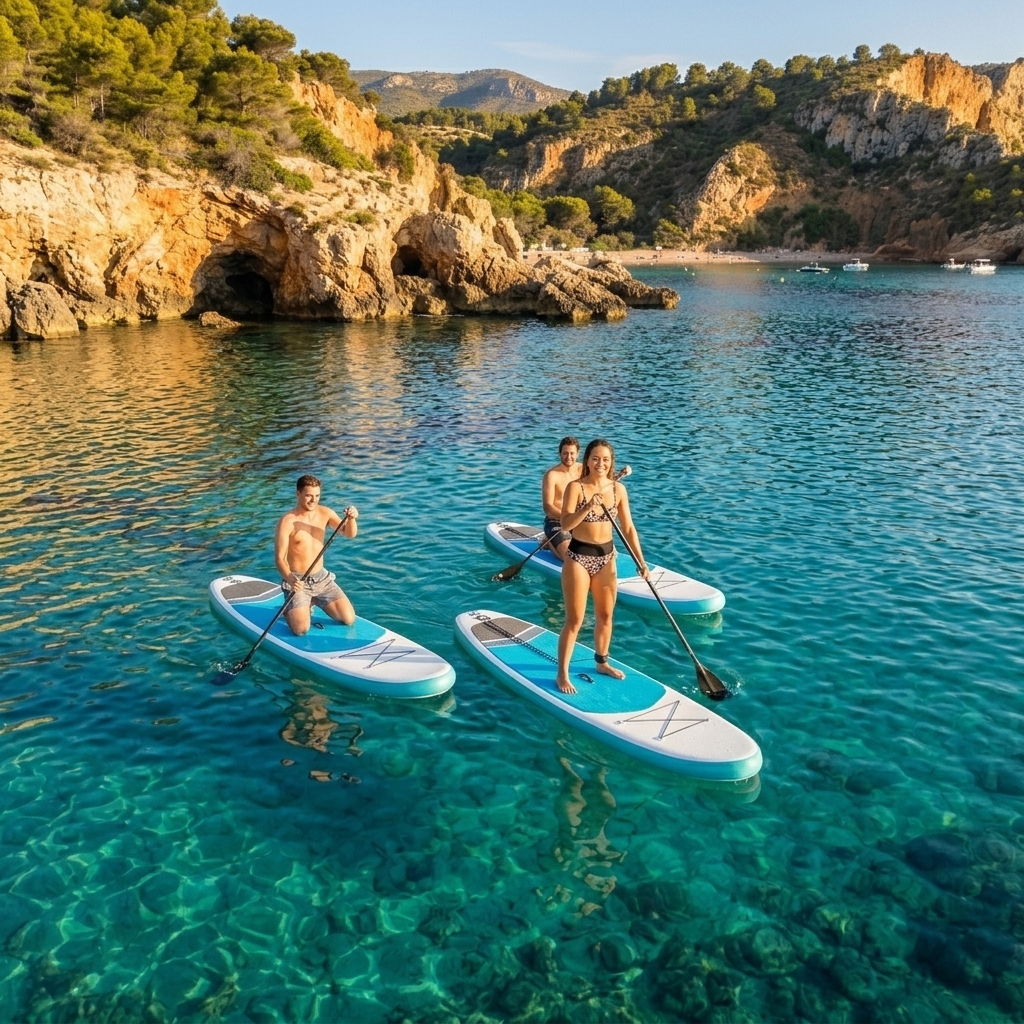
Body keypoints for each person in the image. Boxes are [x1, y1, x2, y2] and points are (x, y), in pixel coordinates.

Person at [555, 439, 648, 695]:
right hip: (578, 557)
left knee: (606, 617)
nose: (600, 464)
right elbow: (564, 525)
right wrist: (587, 507)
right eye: (595, 458)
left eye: (605, 460)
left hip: (607, 558)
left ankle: (602, 662)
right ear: (587, 460)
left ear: (611, 462)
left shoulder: (618, 490)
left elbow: (628, 528)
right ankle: (562, 672)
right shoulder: (576, 487)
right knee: (574, 620)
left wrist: (641, 561)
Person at [274, 474, 358, 636]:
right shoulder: (286, 521)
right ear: (298, 494)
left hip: (322, 579)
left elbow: (349, 534)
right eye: (309, 496)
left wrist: (352, 519)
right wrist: (291, 579)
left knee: (348, 619)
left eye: (317, 496)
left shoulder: (325, 513)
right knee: (300, 630)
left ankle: (313, 601)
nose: (314, 500)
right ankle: (289, 609)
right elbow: (279, 559)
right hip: (298, 581)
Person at [541, 435, 581, 561]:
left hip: (579, 521)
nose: (569, 457)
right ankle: (550, 541)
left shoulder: (584, 470)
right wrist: (568, 518)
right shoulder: (551, 475)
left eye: (572, 453)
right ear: (559, 454)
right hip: (557, 522)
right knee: (570, 558)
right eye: (565, 453)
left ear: (578, 454)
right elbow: (548, 508)